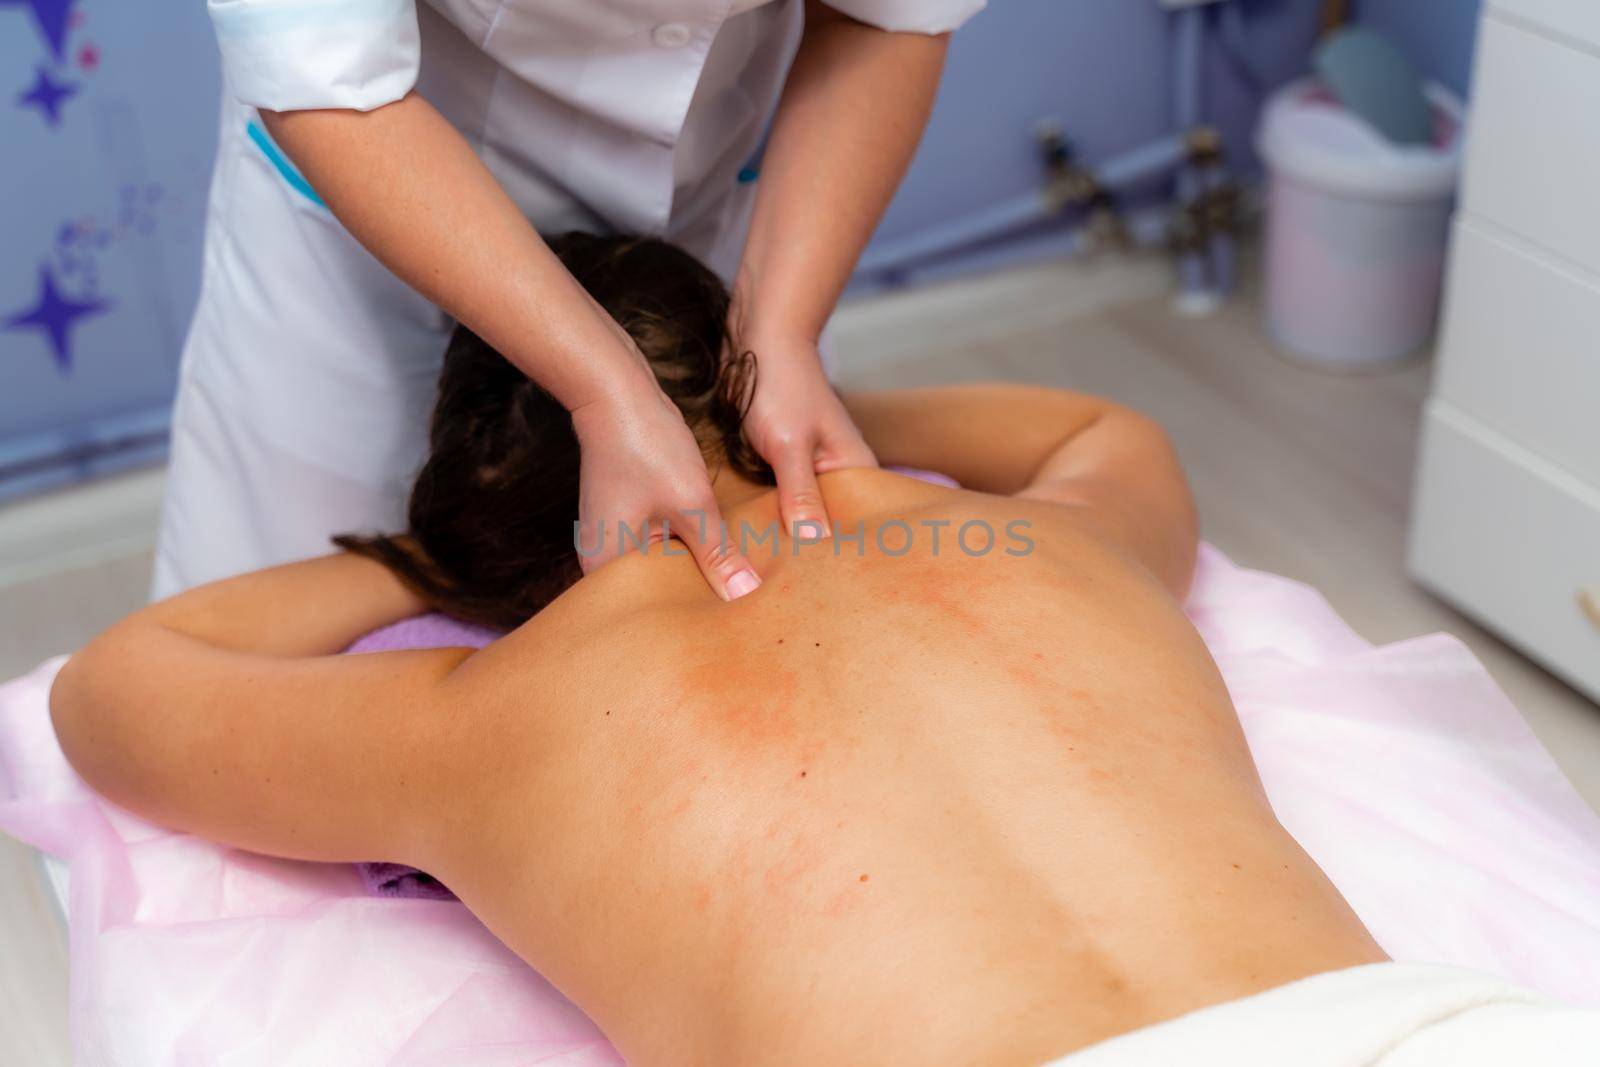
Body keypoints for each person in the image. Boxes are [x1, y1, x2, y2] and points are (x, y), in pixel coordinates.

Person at [60, 238, 1595, 1065]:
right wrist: (835, 445)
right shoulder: (1057, 548)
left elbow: (111, 693)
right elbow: (1099, 428)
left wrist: (437, 566)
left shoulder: (495, 711)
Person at [154, 0, 983, 602]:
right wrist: (604, 390)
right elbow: (325, 75)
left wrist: (781, 328)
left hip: (719, 216)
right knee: (306, 606)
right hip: (373, 198)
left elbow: (891, 15)